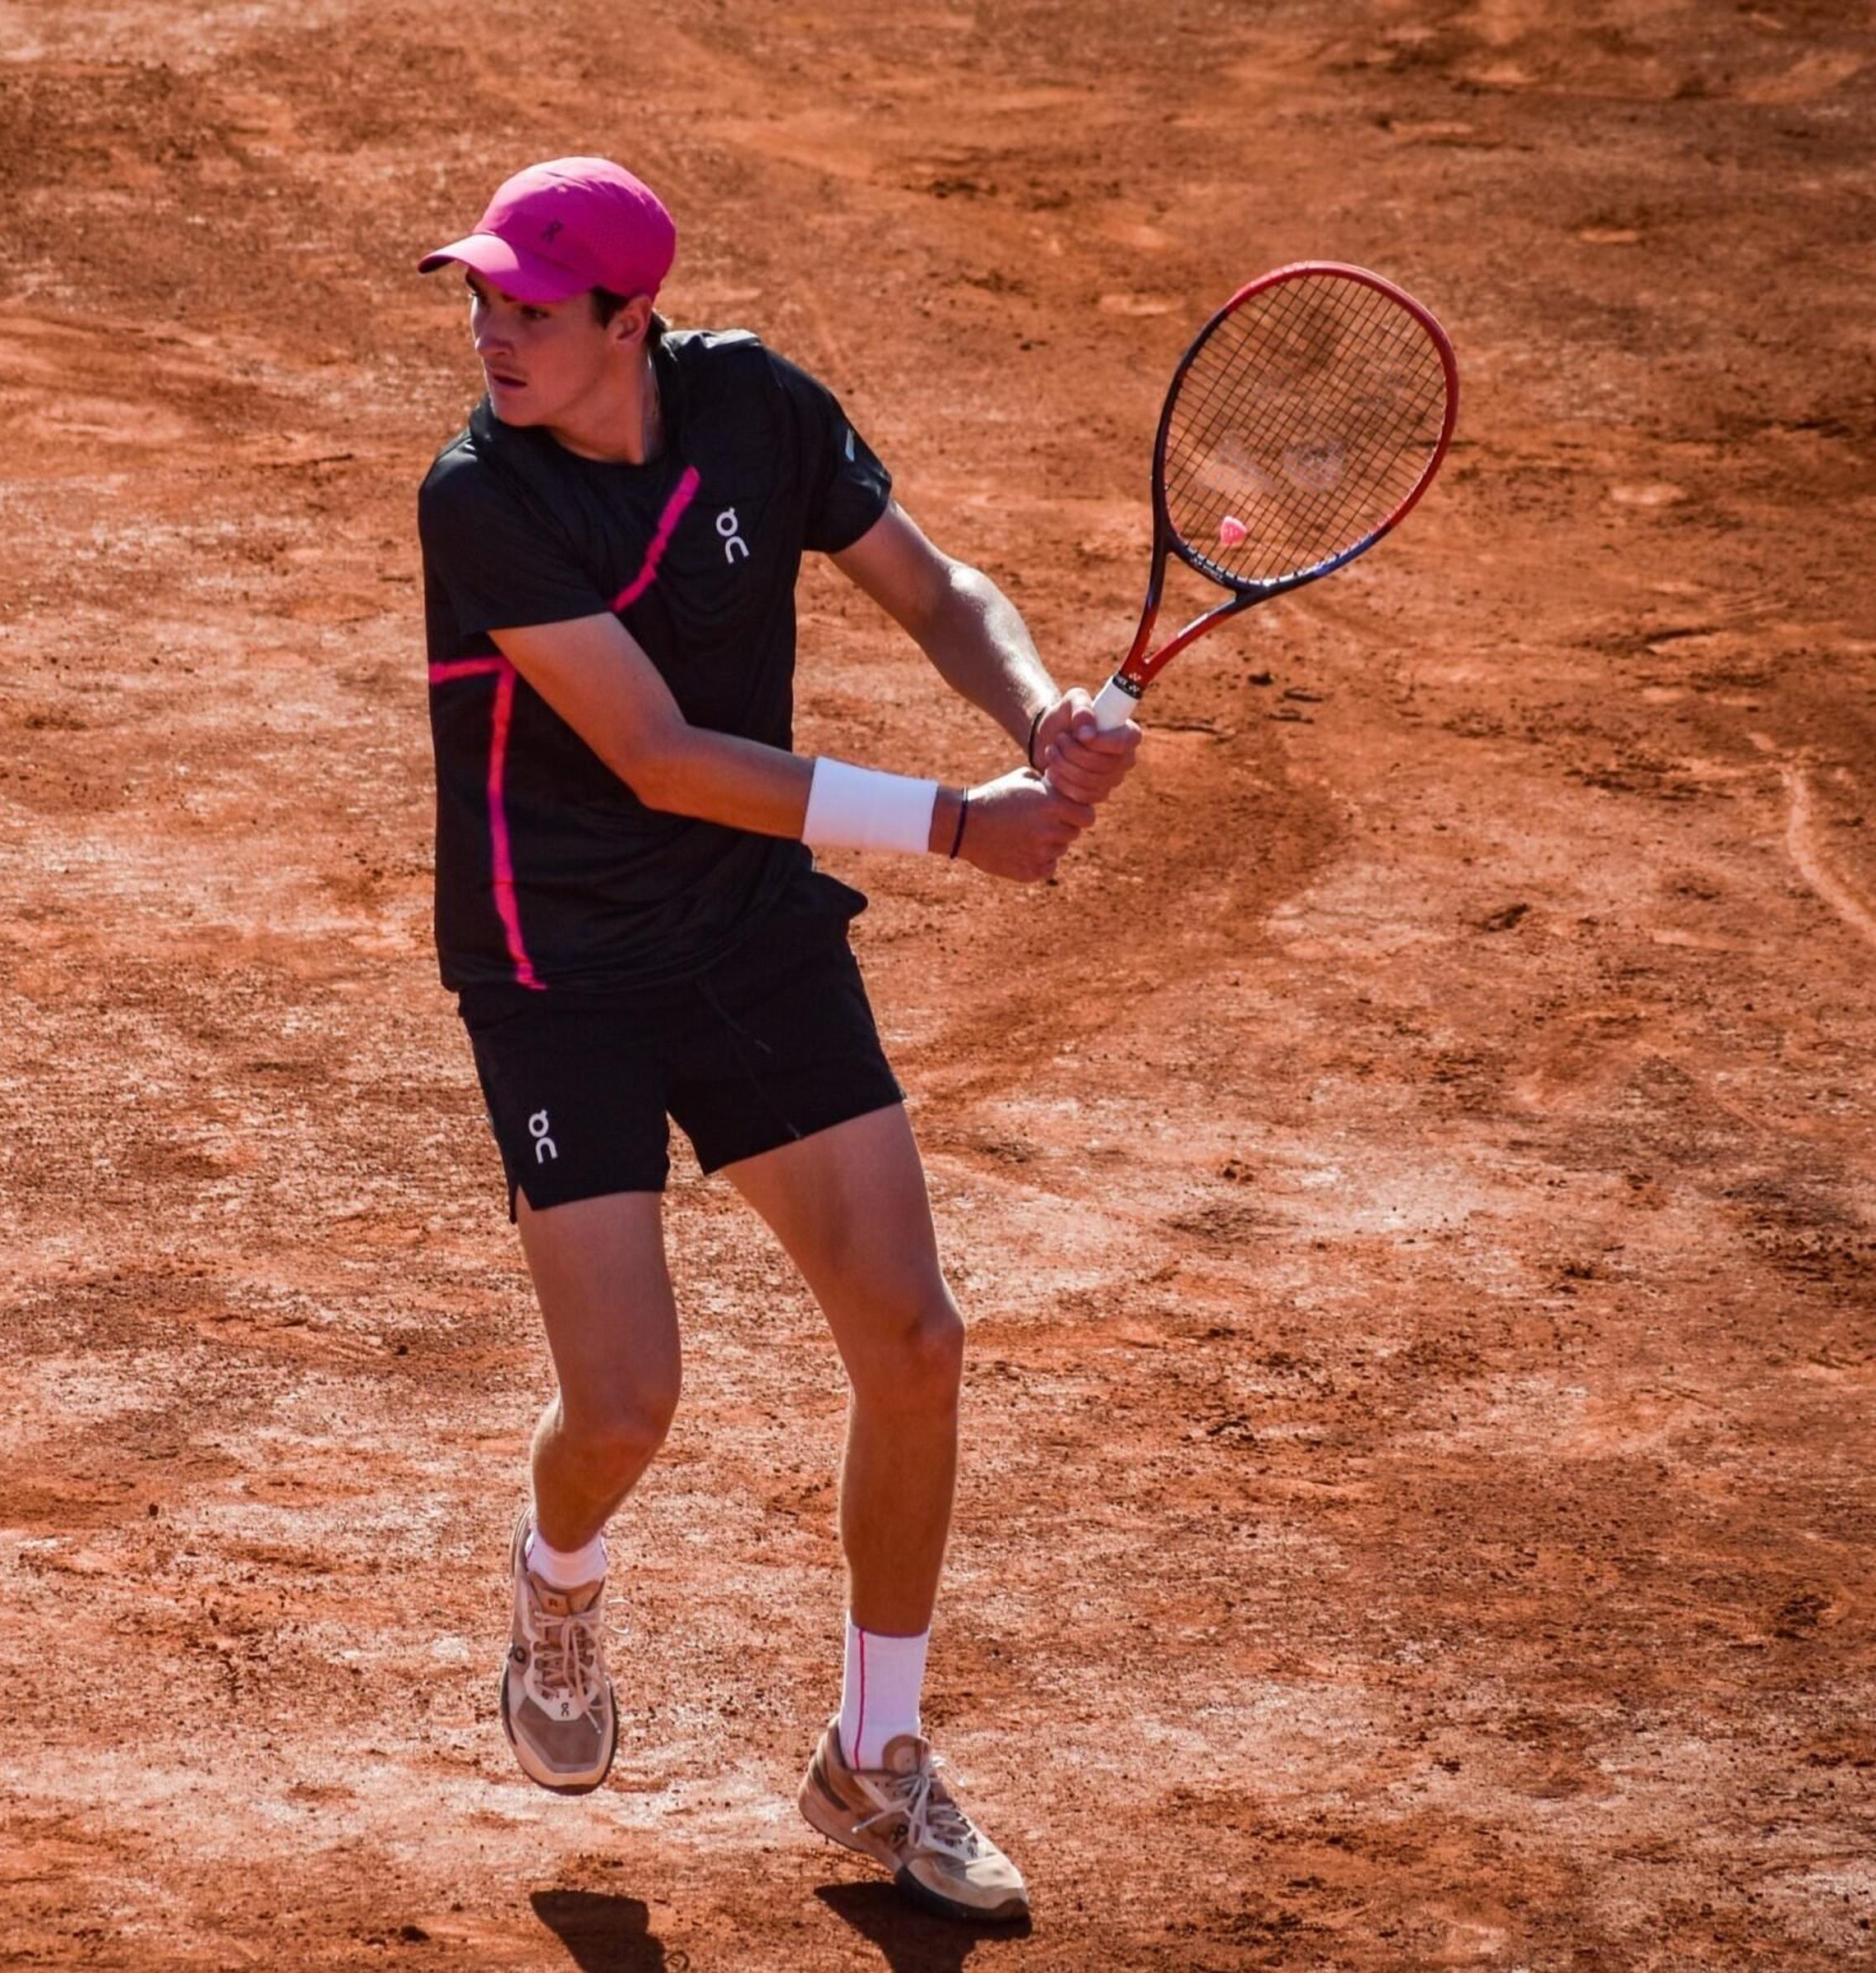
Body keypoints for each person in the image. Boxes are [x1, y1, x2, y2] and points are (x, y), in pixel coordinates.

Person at [410, 157, 1139, 1924]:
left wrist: (1032, 700)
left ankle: (875, 1760)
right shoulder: (483, 500)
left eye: (531, 304)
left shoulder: (756, 408)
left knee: (915, 1337)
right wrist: (958, 824)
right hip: (557, 972)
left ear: (627, 319)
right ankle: (557, 1578)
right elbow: (659, 755)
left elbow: (935, 586)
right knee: (628, 1402)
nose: (495, 332)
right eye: (484, 299)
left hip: (746, 940)